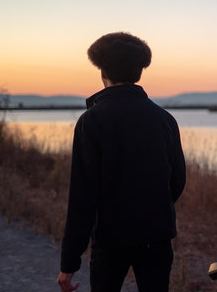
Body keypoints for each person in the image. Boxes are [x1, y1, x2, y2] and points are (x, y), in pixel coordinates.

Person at [57, 32, 186, 292]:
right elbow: (177, 181)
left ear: (102, 72)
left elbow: (83, 197)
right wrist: (151, 207)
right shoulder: (165, 119)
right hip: (156, 237)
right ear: (138, 72)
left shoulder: (92, 121)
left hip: (110, 240)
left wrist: (69, 263)